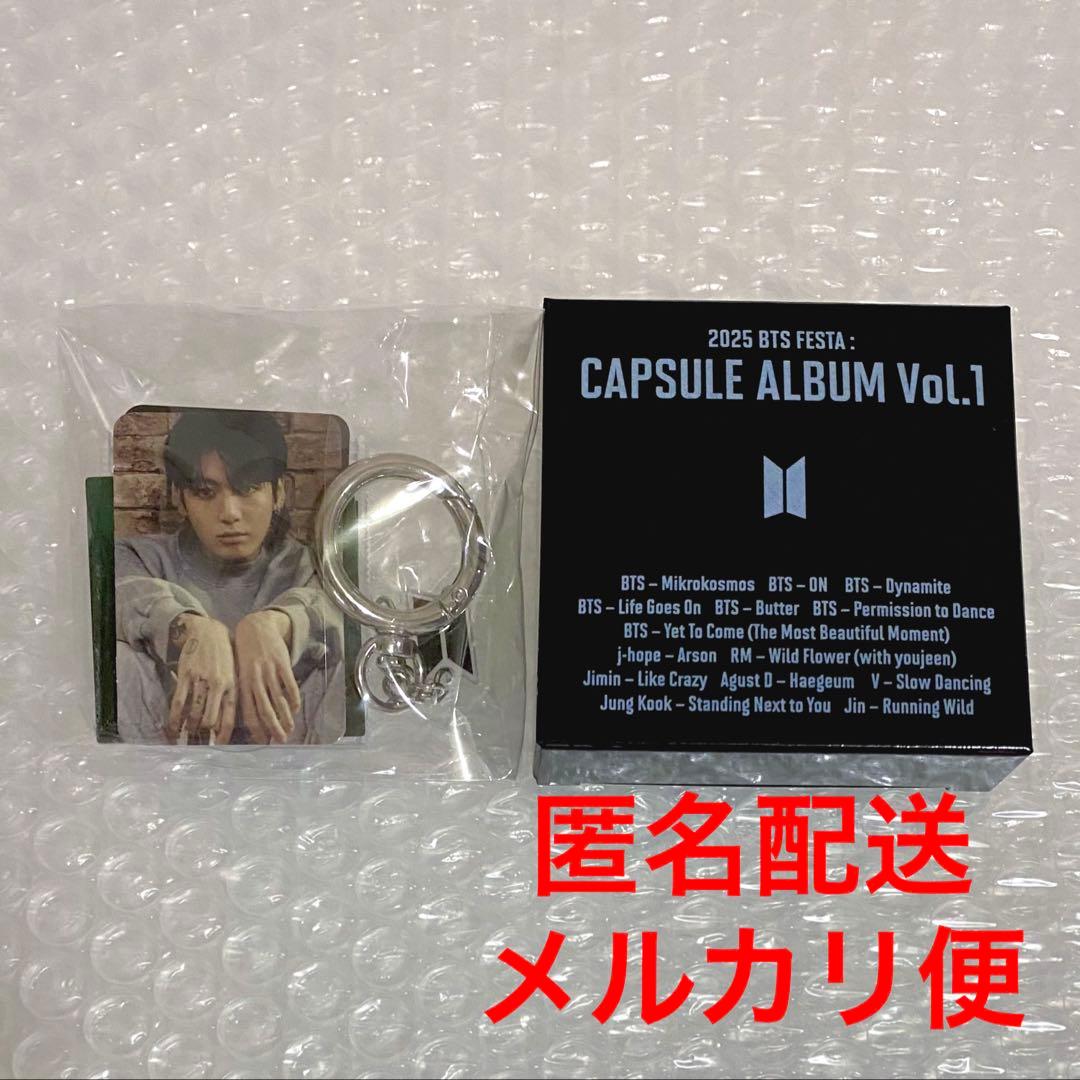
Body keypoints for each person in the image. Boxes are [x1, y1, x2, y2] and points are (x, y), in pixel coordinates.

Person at [115, 409, 344, 744]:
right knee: (120, 660)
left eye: (248, 488)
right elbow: (121, 595)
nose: (229, 513)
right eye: (205, 492)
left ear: (279, 493)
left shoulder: (313, 566)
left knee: (346, 659)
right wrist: (192, 629)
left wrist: (272, 624)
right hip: (171, 758)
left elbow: (343, 615)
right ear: (179, 499)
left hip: (294, 762)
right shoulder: (139, 558)